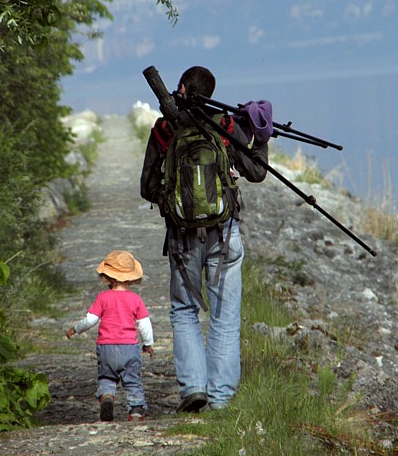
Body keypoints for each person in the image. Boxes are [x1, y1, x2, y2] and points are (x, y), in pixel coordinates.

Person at [140, 66, 269, 413]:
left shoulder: (165, 130)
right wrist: (262, 133)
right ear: (211, 94)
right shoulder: (225, 126)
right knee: (225, 317)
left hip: (181, 238)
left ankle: (194, 388)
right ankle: (222, 399)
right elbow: (256, 172)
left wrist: (177, 201)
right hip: (224, 235)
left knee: (184, 311)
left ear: (181, 88)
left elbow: (147, 188)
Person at [66, 250, 154, 422]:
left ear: (108, 277)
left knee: (106, 377)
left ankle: (107, 396)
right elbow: (145, 324)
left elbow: (90, 320)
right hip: (128, 348)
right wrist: (148, 343)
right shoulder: (136, 300)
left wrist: (74, 329)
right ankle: (135, 411)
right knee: (132, 381)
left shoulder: (103, 297)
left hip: (106, 348)